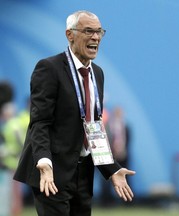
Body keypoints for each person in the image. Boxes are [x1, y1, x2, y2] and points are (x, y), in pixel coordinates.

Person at [13, 10, 135, 216]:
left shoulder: (97, 73)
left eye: (99, 32)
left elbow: (94, 126)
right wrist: (43, 161)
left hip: (83, 173)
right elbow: (39, 122)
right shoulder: (49, 68)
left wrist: (111, 169)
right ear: (70, 34)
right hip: (52, 172)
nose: (95, 37)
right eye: (88, 31)